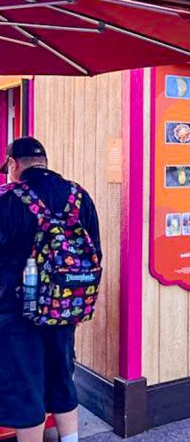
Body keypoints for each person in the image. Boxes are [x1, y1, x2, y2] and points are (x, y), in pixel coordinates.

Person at [0, 137, 101, 442]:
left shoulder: (8, 199)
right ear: (44, 162)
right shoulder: (79, 196)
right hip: (65, 304)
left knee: (24, 385)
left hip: (16, 311)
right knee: (61, 376)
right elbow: (95, 252)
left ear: (13, 164)